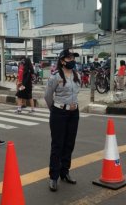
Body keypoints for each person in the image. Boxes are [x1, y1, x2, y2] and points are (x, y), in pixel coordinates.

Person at [44, 49, 81, 192]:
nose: (72, 60)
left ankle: (64, 172)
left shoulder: (76, 75)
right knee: (57, 145)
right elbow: (48, 96)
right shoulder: (55, 76)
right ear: (62, 61)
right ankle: (53, 177)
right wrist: (54, 110)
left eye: (73, 57)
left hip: (74, 113)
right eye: (69, 57)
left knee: (69, 144)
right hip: (59, 113)